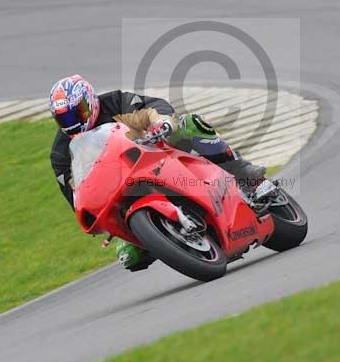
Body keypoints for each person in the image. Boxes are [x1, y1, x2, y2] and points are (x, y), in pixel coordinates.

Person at [48, 74, 267, 271]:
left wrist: (162, 122)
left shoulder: (114, 102)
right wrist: (100, 219)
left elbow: (152, 106)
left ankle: (244, 174)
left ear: (90, 100)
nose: (73, 122)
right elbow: (75, 194)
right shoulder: (60, 153)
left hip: (153, 152)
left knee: (188, 125)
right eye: (64, 119)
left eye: (78, 112)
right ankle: (168, 237)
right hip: (120, 191)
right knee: (130, 257)